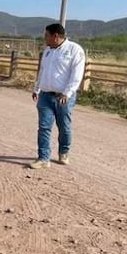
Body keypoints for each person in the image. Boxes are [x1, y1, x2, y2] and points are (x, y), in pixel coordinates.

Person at [30, 23, 86, 169]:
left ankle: (64, 152)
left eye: (46, 35)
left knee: (64, 126)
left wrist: (67, 93)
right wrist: (37, 89)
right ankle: (43, 158)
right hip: (45, 96)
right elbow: (42, 71)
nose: (44, 38)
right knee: (44, 127)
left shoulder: (74, 50)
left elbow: (77, 74)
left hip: (63, 97)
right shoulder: (48, 51)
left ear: (55, 36)